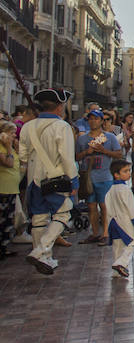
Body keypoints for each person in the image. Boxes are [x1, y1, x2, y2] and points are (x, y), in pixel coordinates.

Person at [20, 89, 80, 274]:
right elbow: (67, 158)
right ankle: (41, 250)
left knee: (39, 218)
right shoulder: (62, 127)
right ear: (60, 106)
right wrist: (74, 181)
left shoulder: (27, 127)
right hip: (56, 177)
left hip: (33, 179)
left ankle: (45, 257)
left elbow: (22, 156)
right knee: (63, 214)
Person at [75, 109, 124, 245]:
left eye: (96, 119)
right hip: (88, 177)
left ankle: (106, 233)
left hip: (104, 176)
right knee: (91, 206)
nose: (93, 121)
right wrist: (87, 152)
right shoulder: (82, 138)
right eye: (90, 119)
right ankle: (95, 233)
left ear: (101, 121)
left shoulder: (109, 137)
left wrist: (104, 151)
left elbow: (119, 154)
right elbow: (76, 156)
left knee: (104, 205)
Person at [104, 159, 134, 278]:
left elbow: (107, 206)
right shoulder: (125, 190)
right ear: (116, 174)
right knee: (131, 242)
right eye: (125, 171)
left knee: (117, 245)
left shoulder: (110, 190)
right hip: (125, 221)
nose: (128, 173)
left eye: (129, 170)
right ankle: (121, 264)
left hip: (113, 221)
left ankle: (116, 271)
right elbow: (131, 207)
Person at [0, 120, 20, 259]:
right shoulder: (3, 148)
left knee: (9, 219)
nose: (14, 136)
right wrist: (8, 147)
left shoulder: (12, 147)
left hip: (12, 187)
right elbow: (9, 163)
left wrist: (15, 147)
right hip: (4, 188)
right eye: (12, 133)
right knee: (3, 219)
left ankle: (5, 246)